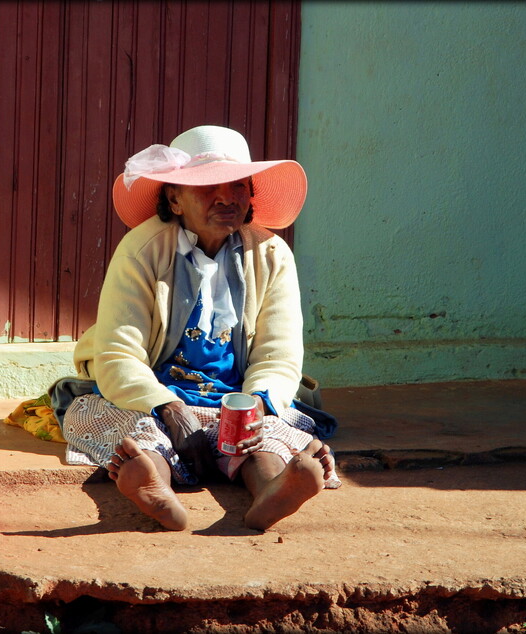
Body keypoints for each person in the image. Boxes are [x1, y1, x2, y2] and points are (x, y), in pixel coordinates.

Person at [53, 125, 339, 532]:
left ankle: (274, 488)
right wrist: (170, 408)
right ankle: (152, 483)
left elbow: (280, 353)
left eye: (238, 185)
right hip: (155, 392)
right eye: (208, 187)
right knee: (138, 431)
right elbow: (119, 355)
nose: (227, 197)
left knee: (266, 435)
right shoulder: (141, 250)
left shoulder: (272, 254)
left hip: (235, 395)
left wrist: (256, 404)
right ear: (174, 197)